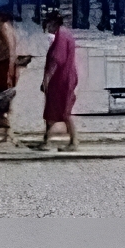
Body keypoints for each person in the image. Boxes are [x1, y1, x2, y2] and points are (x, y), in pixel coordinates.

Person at [0, 8, 32, 147]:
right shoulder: (0, 29)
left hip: (4, 68)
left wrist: (10, 71)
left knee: (1, 100)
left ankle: (5, 132)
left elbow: (11, 52)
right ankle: (0, 131)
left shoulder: (5, 28)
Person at [36, 9, 80, 152]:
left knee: (63, 111)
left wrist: (46, 80)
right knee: (54, 110)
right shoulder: (66, 34)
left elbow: (56, 60)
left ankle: (74, 141)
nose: (47, 28)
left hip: (61, 79)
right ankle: (47, 140)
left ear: (53, 22)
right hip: (65, 78)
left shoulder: (61, 37)